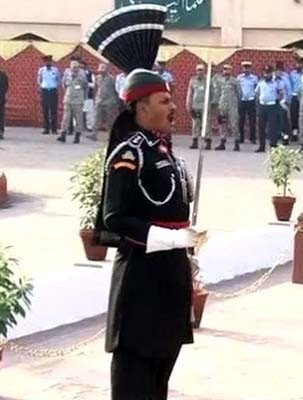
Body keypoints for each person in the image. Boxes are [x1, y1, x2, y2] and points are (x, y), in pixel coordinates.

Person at [85, 5, 202, 398]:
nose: (173, 108)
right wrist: (170, 240)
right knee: (135, 382)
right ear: (140, 107)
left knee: (159, 384)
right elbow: (115, 218)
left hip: (170, 282)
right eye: (164, 100)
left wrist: (186, 243)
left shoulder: (166, 152)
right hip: (140, 287)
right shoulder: (130, 153)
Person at [186, 64, 216, 150]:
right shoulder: (193, 80)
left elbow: (213, 92)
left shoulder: (208, 80)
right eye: (198, 70)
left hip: (206, 105)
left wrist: (213, 103)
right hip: (196, 105)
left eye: (201, 70)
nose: (199, 72)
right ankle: (195, 141)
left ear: (204, 71)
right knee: (195, 123)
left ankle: (208, 142)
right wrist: (189, 104)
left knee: (207, 124)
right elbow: (190, 93)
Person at [57, 60, 87, 144]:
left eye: (76, 67)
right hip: (68, 99)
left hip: (78, 99)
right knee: (65, 118)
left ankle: (77, 136)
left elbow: (85, 86)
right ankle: (63, 135)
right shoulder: (67, 73)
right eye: (73, 67)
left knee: (78, 119)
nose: (74, 69)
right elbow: (63, 84)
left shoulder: (82, 74)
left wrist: (84, 98)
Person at [255, 65, 283, 152]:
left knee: (272, 127)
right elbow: (257, 93)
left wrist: (278, 101)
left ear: (272, 74)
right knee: (261, 127)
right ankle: (261, 146)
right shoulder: (260, 83)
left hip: (272, 106)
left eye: (269, 73)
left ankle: (273, 146)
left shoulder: (276, 83)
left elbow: (281, 93)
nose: (267, 75)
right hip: (262, 106)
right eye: (266, 73)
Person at [88, 63, 120, 140]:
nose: (101, 69)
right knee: (97, 118)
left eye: (103, 68)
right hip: (99, 101)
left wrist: (116, 102)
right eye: (100, 68)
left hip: (110, 101)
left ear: (107, 69)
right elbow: (96, 88)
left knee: (110, 120)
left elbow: (116, 90)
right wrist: (95, 99)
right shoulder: (97, 78)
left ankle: (111, 136)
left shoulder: (112, 79)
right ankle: (94, 134)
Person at [214, 64, 241, 151]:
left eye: (228, 69)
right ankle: (222, 142)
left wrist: (237, 103)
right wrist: (218, 104)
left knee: (234, 124)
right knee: (222, 124)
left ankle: (236, 142)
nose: (226, 71)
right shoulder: (220, 81)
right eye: (224, 69)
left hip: (232, 105)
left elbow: (240, 93)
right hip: (222, 104)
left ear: (231, 70)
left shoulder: (235, 81)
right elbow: (217, 92)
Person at [37, 54, 61, 135]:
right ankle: (46, 128)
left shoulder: (55, 70)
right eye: (46, 61)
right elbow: (39, 80)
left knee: (53, 111)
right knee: (45, 110)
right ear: (44, 62)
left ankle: (54, 129)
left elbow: (59, 80)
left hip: (53, 91)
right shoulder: (41, 70)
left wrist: (55, 86)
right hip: (45, 91)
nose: (47, 62)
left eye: (49, 61)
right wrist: (42, 87)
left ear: (51, 61)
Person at [237, 61, 258, 144]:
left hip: (251, 100)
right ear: (242, 68)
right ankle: (241, 138)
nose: (246, 69)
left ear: (250, 68)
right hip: (242, 101)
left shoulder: (254, 78)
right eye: (245, 68)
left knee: (252, 120)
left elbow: (256, 89)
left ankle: (252, 138)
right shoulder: (239, 78)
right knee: (241, 120)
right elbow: (237, 89)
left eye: (248, 68)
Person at [289, 58, 303, 141]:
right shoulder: (292, 74)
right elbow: (289, 86)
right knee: (294, 116)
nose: (299, 65)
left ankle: (302, 134)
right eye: (298, 64)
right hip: (294, 96)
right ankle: (294, 134)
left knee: (301, 116)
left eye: (300, 64)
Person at [0, 66, 7, 139]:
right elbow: (6, 87)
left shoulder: (3, 75)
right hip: (1, 98)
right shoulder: (3, 75)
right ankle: (1, 132)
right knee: (1, 116)